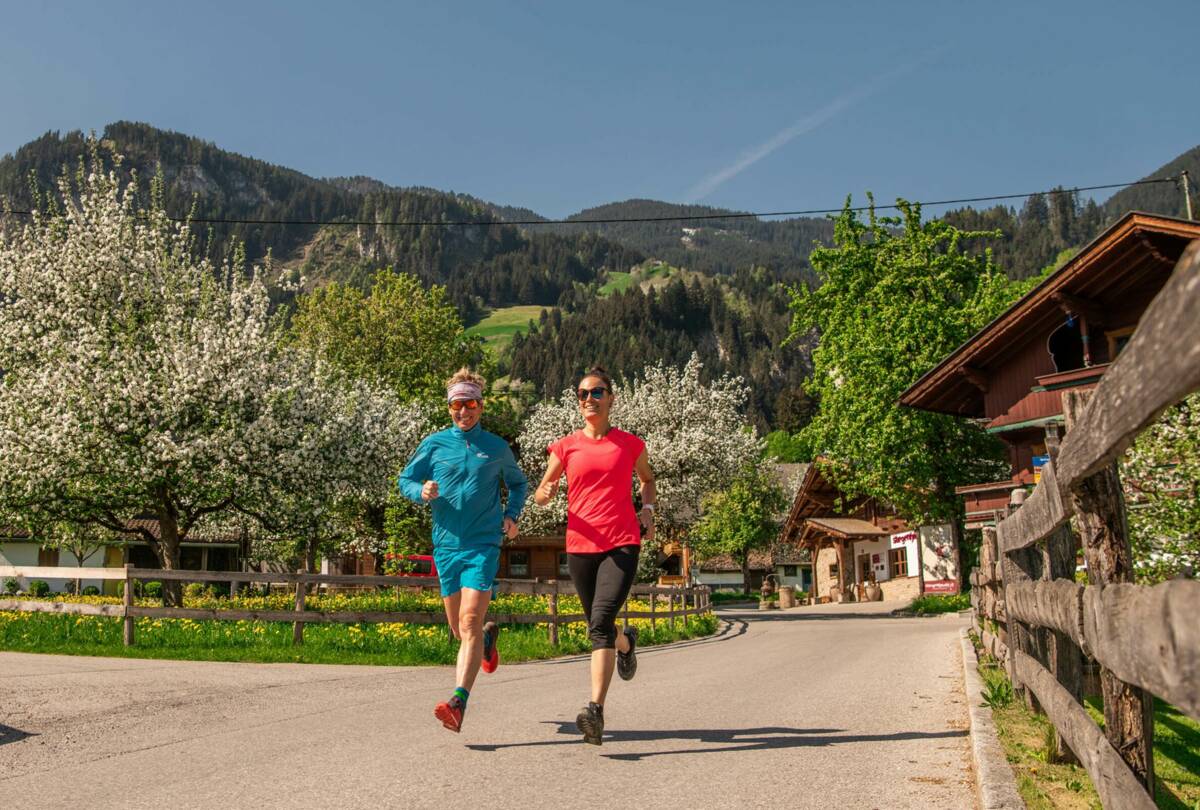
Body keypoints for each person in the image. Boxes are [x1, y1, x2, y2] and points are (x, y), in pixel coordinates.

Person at [398, 368, 528, 733]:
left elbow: (518, 484)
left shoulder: (497, 448)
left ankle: (459, 702)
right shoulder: (435, 444)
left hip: (483, 543)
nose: (464, 411)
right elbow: (404, 479)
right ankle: (486, 641)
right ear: (450, 407)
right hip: (446, 545)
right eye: (457, 405)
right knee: (459, 629)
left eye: (470, 404)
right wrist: (419, 490)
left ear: (481, 406)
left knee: (469, 620)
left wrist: (511, 515)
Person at [534, 367, 655, 745]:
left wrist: (647, 510)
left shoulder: (631, 444)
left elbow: (647, 481)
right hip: (581, 546)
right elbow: (541, 490)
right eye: (583, 394)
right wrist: (546, 493)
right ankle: (626, 644)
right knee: (600, 627)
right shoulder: (565, 446)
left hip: (622, 542)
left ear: (611, 398)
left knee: (600, 621)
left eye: (597, 392)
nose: (590, 399)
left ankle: (595, 711)